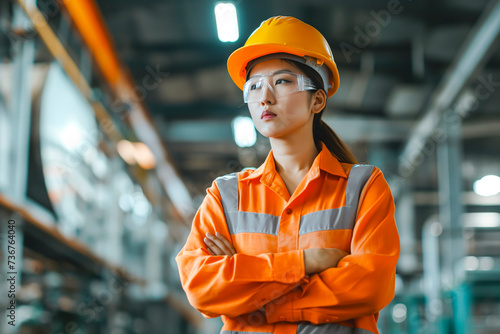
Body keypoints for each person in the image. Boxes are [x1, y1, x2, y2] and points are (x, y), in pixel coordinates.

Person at [176, 16, 400, 334]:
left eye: (282, 81)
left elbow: (371, 285)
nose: (265, 97)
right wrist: (307, 263)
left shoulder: (363, 187)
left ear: (317, 99)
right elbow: (202, 287)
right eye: (253, 86)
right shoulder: (225, 195)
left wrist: (251, 294)